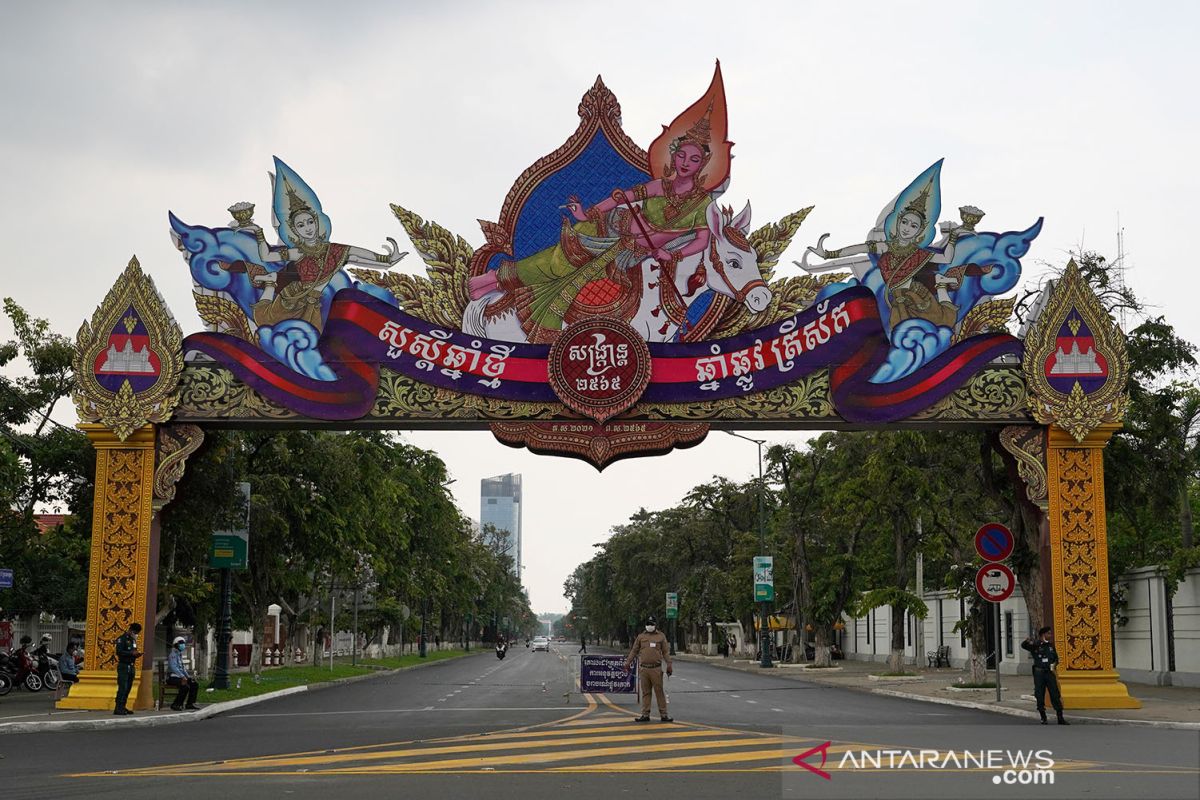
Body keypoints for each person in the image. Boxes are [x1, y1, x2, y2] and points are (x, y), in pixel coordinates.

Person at [467, 117, 718, 343]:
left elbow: (702, 239)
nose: (686, 163)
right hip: (607, 228)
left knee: (595, 284)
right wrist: (588, 213)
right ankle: (495, 279)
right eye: (682, 156)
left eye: (694, 159)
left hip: (635, 254)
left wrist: (672, 255)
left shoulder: (701, 203)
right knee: (559, 262)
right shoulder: (659, 186)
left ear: (703, 164)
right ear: (673, 157)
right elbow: (621, 197)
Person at [244, 177, 404, 332]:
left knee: (317, 337)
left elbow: (356, 256)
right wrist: (259, 233)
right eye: (300, 225)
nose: (307, 228)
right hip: (290, 299)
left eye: (310, 222)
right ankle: (270, 284)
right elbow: (267, 256)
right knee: (264, 319)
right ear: (295, 231)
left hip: (314, 303)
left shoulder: (333, 250)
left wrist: (386, 260)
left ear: (317, 222)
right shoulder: (298, 252)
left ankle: (271, 281)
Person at [625, 615, 673, 722]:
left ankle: (664, 715)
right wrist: (628, 662)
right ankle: (645, 714)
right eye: (648, 624)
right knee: (646, 693)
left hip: (656, 669)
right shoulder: (641, 637)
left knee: (659, 692)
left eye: (651, 624)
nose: (649, 626)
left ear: (655, 625)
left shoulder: (661, 636)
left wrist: (669, 664)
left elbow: (665, 652)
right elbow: (634, 650)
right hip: (644, 669)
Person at [1021, 626, 1069, 725]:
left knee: (1055, 694)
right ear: (1043, 635)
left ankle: (1060, 717)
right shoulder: (1036, 645)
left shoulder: (1051, 646)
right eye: (1048, 634)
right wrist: (1027, 641)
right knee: (1039, 694)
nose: (1050, 635)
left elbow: (1056, 658)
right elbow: (1024, 646)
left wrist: (1055, 664)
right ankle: (1043, 717)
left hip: (1049, 673)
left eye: (1050, 633)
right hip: (1039, 673)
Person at [113, 622, 142, 715]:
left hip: (131, 666)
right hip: (124, 666)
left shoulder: (133, 640)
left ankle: (123, 706)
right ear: (131, 630)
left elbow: (133, 651)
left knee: (128, 687)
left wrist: (137, 654)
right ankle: (118, 708)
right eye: (136, 632)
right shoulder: (122, 639)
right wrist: (131, 654)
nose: (136, 635)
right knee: (123, 687)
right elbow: (119, 652)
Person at [166, 636, 201, 711]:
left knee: (194, 684)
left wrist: (188, 677)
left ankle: (190, 704)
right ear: (176, 645)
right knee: (185, 686)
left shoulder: (179, 654)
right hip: (172, 677)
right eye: (181, 643)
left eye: (183, 643)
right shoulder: (173, 655)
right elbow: (174, 668)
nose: (183, 645)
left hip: (180, 677)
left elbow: (182, 668)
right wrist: (182, 677)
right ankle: (176, 704)